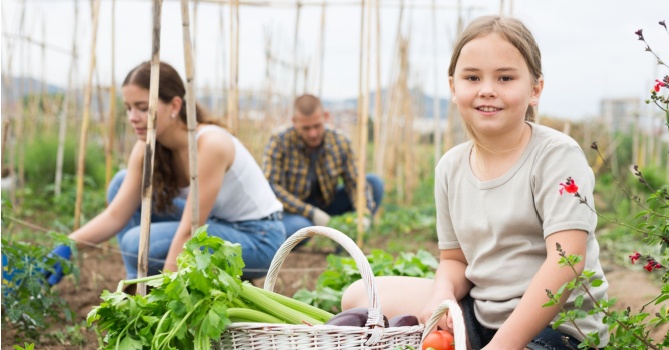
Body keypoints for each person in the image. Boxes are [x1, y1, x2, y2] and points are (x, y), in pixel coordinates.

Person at [341, 16, 609, 349]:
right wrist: (442, 295)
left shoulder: (555, 156)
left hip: (557, 328)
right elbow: (455, 260)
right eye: (472, 77)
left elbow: (566, 263)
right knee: (358, 296)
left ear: (535, 89)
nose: (487, 89)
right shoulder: (451, 166)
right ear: (454, 88)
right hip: (482, 314)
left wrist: (501, 345)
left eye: (505, 77)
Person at [47, 61, 286, 285]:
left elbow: (189, 230)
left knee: (136, 243)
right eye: (128, 108)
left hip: (258, 237)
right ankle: (136, 283)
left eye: (142, 108)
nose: (132, 118)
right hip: (217, 223)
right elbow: (115, 216)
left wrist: (165, 294)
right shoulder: (147, 147)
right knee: (121, 183)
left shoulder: (211, 144)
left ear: (174, 106)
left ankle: (146, 289)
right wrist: (67, 246)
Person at [262, 94, 384, 238]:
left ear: (325, 117)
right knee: (300, 227)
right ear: (294, 122)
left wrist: (364, 213)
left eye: (317, 126)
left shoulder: (340, 141)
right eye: (306, 128)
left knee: (374, 184)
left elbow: (355, 182)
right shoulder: (280, 141)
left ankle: (348, 240)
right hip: (294, 211)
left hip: (328, 206)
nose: (313, 133)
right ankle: (296, 238)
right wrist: (311, 213)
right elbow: (272, 187)